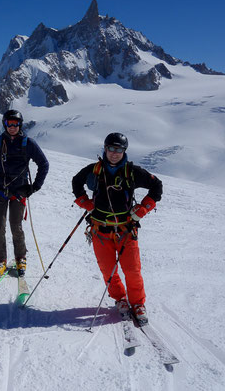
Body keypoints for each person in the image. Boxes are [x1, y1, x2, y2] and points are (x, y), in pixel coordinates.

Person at [71, 132, 162, 324]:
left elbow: (157, 186)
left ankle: (138, 303)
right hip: (100, 230)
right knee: (108, 270)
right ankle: (120, 299)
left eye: (118, 149)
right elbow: (76, 182)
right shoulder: (95, 170)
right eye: (111, 148)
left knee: (132, 270)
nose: (114, 153)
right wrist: (84, 202)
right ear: (105, 149)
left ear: (124, 151)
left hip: (126, 230)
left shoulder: (132, 172)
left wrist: (143, 209)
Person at [0, 110, 49, 279]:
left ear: (20, 125)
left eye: (15, 124)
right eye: (9, 124)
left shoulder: (28, 143)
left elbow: (44, 164)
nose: (12, 127)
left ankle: (21, 257)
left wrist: (34, 186)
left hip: (19, 191)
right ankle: (0, 261)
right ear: (5, 124)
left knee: (16, 225)